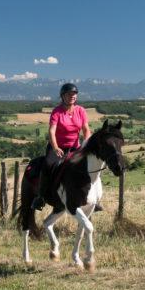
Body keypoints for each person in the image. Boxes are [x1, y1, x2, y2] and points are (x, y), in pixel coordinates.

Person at [31, 83, 101, 211]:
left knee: (90, 166)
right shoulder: (57, 111)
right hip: (57, 147)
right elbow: (52, 131)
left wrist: (86, 146)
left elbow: (86, 130)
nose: (72, 96)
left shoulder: (81, 110)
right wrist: (56, 147)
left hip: (75, 148)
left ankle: (93, 199)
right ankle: (40, 197)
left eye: (74, 94)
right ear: (63, 96)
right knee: (48, 165)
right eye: (69, 94)